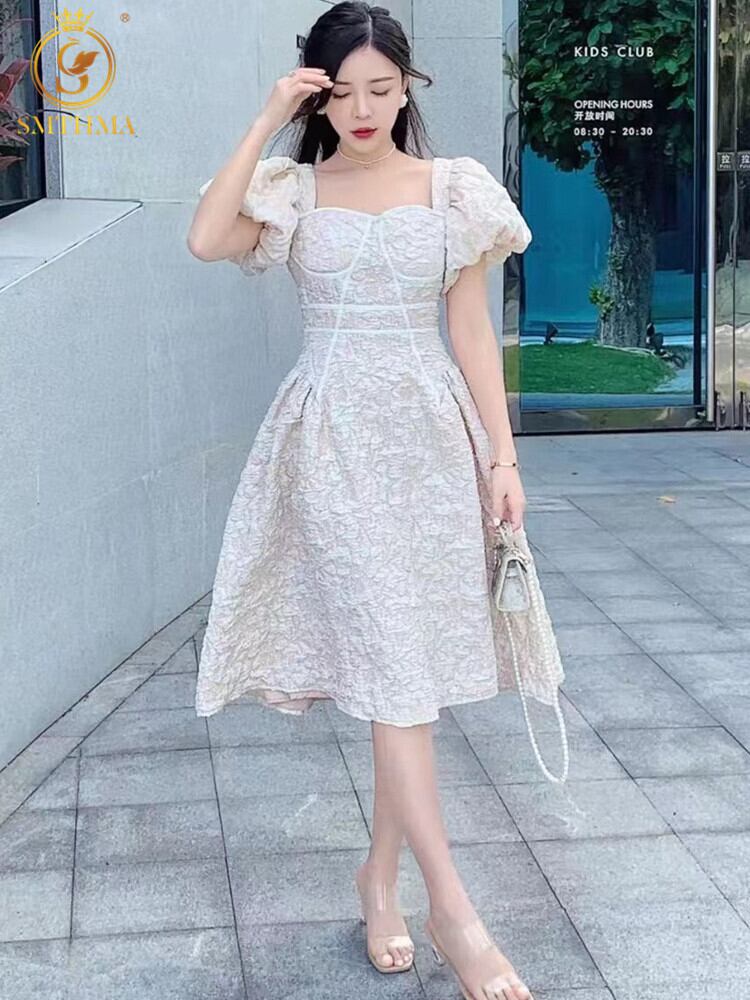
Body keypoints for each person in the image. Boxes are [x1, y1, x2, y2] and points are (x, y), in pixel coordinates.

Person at [187, 4, 568, 999]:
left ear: (409, 87)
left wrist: (503, 460)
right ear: (315, 95)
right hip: (328, 444)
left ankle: (378, 878)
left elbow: (472, 332)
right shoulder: (292, 190)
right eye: (342, 92)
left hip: (431, 442)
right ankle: (454, 910)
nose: (363, 109)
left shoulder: (455, 190)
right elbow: (206, 238)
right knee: (394, 663)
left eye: (382, 89)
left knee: (405, 672)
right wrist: (267, 119)